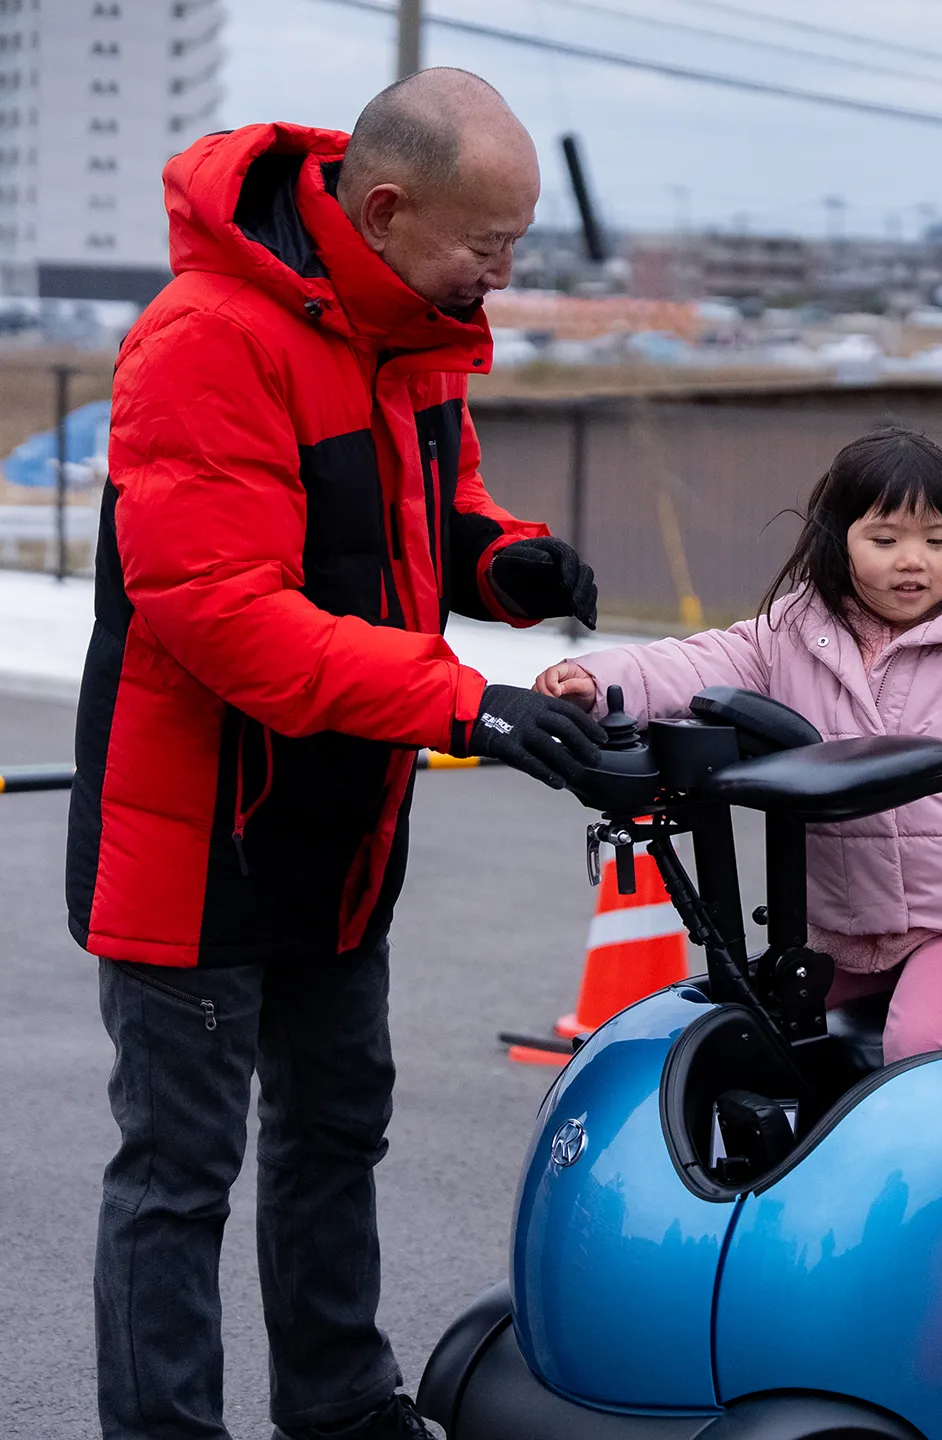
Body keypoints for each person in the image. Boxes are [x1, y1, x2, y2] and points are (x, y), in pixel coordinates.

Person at [70, 72, 607, 1440]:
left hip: (340, 823)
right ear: (384, 207)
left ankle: (338, 1403)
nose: (504, 269)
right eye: (488, 243)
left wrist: (502, 563)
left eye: (517, 242)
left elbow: (424, 515)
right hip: (198, 834)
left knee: (334, 1135)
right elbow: (224, 616)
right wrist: (465, 702)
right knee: (178, 1177)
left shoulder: (409, 329)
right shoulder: (208, 339)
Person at [537, 427, 942, 1065]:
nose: (913, 559)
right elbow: (697, 663)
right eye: (886, 540)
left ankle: (913, 1165)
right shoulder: (792, 635)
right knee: (746, 1026)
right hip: (850, 932)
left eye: (937, 539)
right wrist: (601, 682)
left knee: (916, 1042)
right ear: (839, 544)